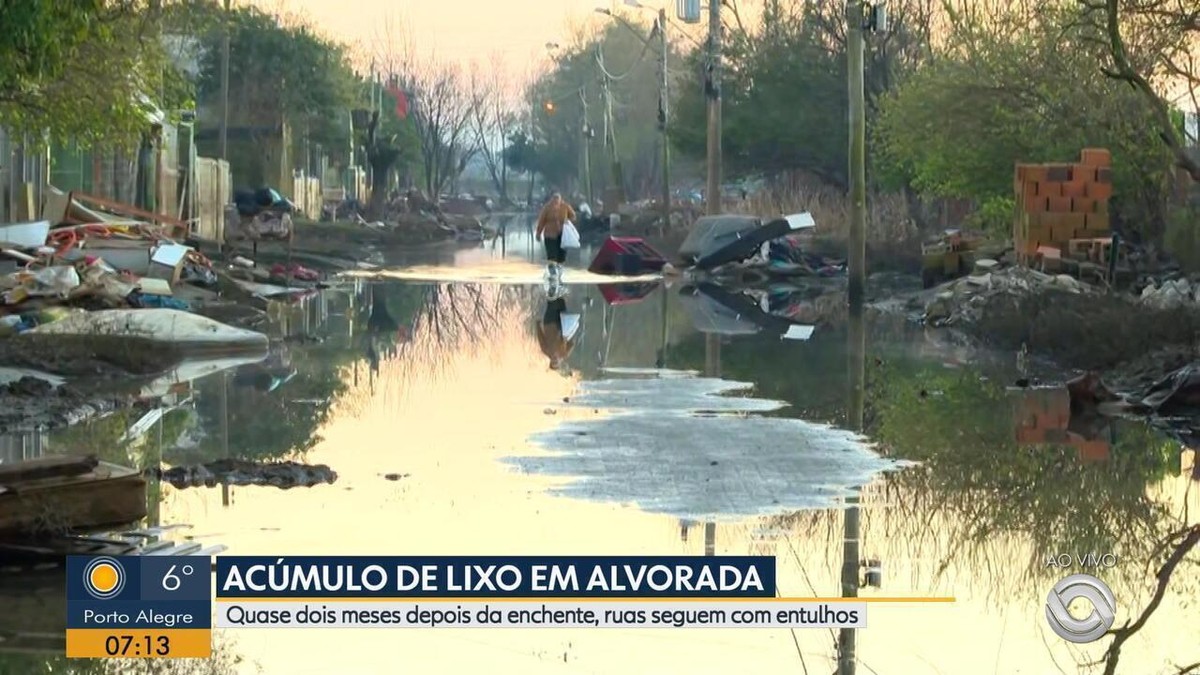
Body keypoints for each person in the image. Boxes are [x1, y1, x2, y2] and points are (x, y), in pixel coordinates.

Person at [535, 192, 576, 285]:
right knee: (552, 255)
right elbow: (541, 221)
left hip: (563, 235)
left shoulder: (565, 206)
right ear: (551, 199)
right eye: (554, 199)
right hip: (550, 235)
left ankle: (559, 275)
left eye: (557, 199)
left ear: (560, 199)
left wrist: (567, 220)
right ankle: (553, 275)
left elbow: (573, 216)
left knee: (561, 256)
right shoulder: (547, 208)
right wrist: (538, 233)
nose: (556, 201)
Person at [536, 294, 579, 371]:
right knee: (561, 301)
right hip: (562, 323)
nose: (555, 360)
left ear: (550, 361)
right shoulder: (564, 354)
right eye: (556, 362)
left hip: (550, 322)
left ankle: (551, 288)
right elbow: (572, 343)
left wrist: (538, 325)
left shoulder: (546, 350)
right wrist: (567, 338)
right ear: (560, 362)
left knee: (552, 302)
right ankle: (560, 289)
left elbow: (540, 337)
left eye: (553, 362)